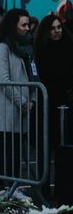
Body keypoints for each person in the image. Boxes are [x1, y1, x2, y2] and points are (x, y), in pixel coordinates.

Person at [0, 8, 37, 190]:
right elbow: (2, 80)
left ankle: (13, 190)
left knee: (15, 156)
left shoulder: (26, 49)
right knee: (3, 156)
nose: (27, 28)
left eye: (28, 24)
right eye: (23, 25)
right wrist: (22, 102)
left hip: (21, 111)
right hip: (6, 112)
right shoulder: (2, 48)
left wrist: (32, 100)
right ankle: (2, 192)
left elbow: (32, 78)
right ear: (13, 26)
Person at [35, 14, 73, 154]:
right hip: (49, 100)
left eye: (59, 27)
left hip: (68, 98)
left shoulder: (69, 44)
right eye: (52, 28)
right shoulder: (41, 50)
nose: (57, 30)